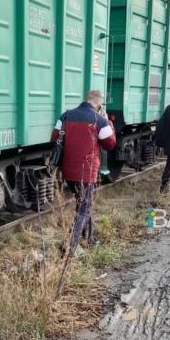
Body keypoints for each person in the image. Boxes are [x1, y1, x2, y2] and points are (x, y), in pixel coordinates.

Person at [51, 90, 116, 252]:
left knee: (84, 203)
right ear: (99, 104)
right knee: (84, 208)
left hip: (68, 170)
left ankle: (90, 238)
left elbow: (54, 137)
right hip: (86, 171)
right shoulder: (99, 120)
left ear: (85, 100)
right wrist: (108, 122)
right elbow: (110, 144)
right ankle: (69, 247)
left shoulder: (65, 116)